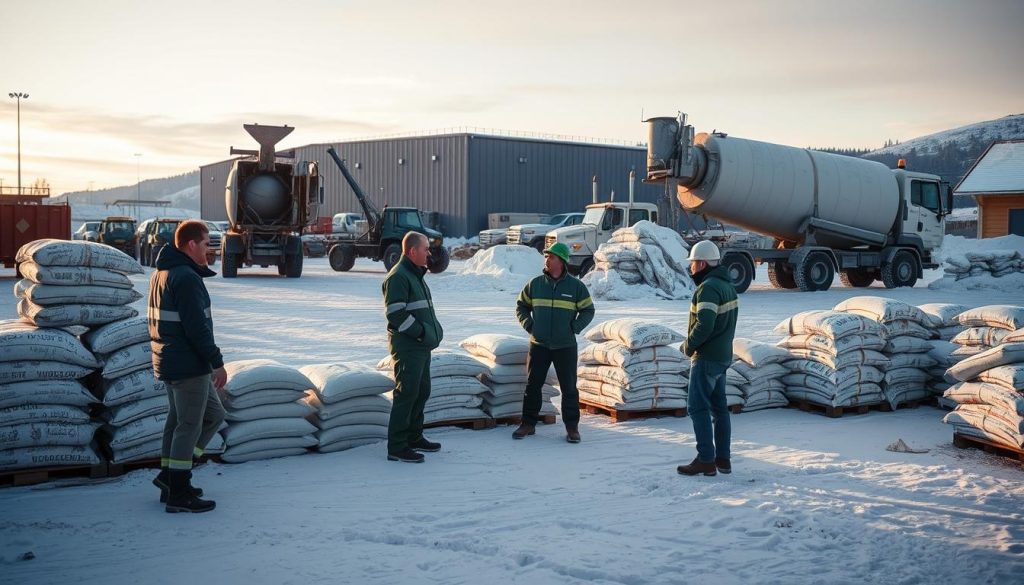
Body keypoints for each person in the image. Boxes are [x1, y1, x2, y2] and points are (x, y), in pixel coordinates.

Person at [148, 219, 226, 513]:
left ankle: (171, 478)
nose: (210, 249)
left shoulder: (162, 274)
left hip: (172, 360)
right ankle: (179, 492)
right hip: (188, 363)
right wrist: (216, 362)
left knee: (205, 416)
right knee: (188, 425)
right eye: (207, 244)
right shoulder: (185, 277)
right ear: (191, 244)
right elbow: (197, 329)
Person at [513, 242, 595, 443]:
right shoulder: (536, 284)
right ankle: (528, 424)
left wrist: (574, 328)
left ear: (562, 261)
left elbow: (588, 310)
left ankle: (572, 428)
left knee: (569, 388)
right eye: (546, 256)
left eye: (551, 257)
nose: (546, 260)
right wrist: (531, 326)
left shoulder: (576, 287)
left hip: (565, 346)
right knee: (533, 386)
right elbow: (521, 306)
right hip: (539, 344)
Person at [677, 240, 738, 476]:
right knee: (720, 409)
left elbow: (705, 323)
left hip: (707, 357)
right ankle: (723, 460)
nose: (691, 268)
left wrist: (688, 346)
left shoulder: (709, 288)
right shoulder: (727, 286)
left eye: (692, 263)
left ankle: (705, 459)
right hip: (723, 356)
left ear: (701, 263)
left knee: (697, 407)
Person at [383, 232, 444, 463]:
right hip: (409, 346)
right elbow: (396, 314)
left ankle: (414, 436)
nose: (429, 253)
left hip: (421, 346)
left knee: (422, 390)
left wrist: (430, 333)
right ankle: (397, 446)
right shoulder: (399, 277)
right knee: (406, 393)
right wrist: (422, 333)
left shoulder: (415, 275)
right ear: (412, 251)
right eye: (426, 249)